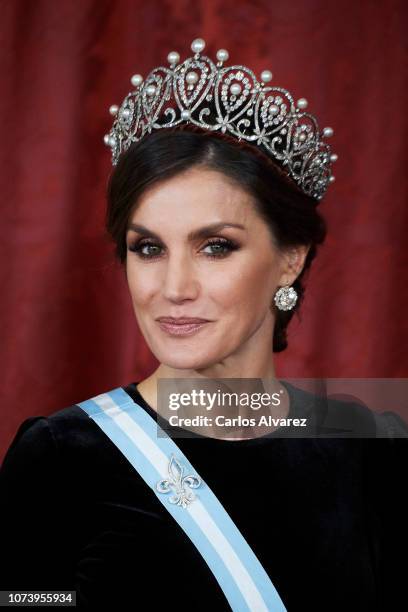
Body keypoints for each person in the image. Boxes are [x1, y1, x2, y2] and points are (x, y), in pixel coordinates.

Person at [1, 38, 407, 611]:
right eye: (148, 248)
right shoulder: (63, 458)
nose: (174, 287)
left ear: (291, 256)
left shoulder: (369, 450)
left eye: (216, 247)